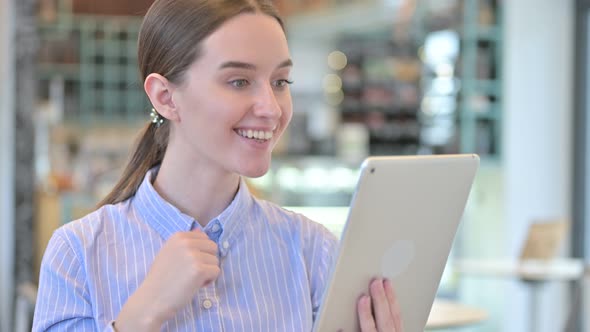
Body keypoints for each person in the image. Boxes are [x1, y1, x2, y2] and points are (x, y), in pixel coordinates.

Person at [32, 0, 403, 331]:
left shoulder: (314, 252)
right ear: (165, 97)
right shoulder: (79, 253)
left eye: (280, 81)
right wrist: (143, 315)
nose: (271, 108)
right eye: (239, 81)